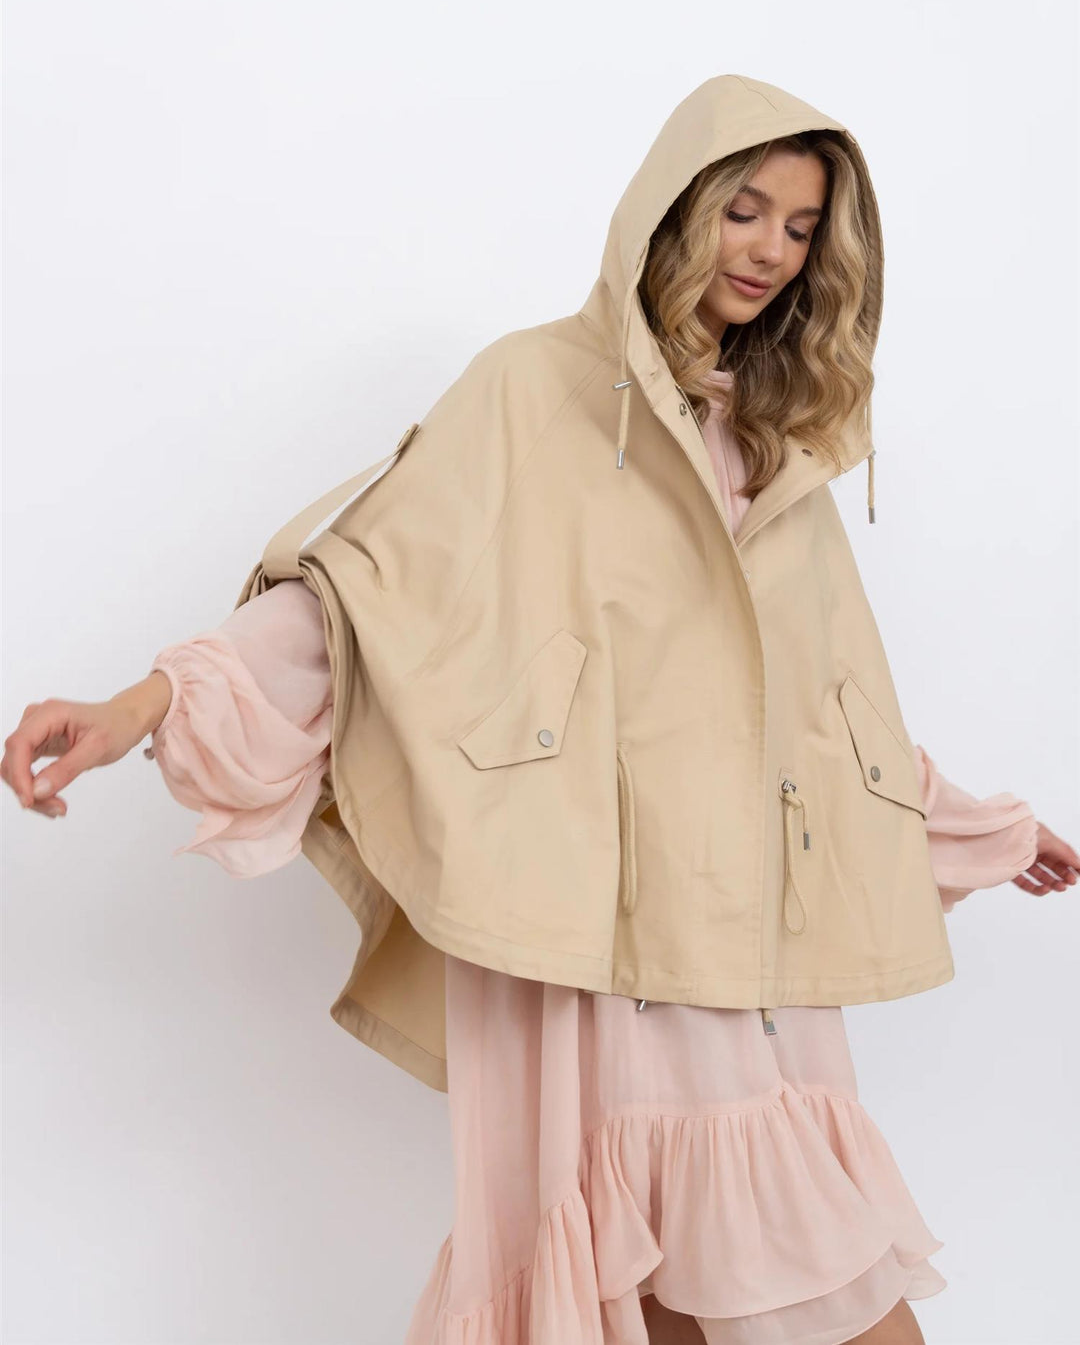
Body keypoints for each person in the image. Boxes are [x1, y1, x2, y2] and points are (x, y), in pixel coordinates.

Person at [5, 75, 1077, 1345]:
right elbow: (365, 598)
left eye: (801, 228)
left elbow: (818, 715)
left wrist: (981, 828)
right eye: (745, 210)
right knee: (643, 1281)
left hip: (740, 947)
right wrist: (142, 704)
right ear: (675, 205)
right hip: (578, 933)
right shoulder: (528, 388)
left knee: (762, 1278)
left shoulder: (772, 449)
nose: (770, 251)